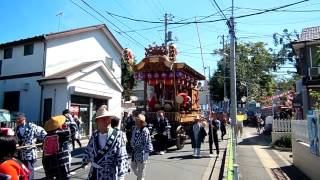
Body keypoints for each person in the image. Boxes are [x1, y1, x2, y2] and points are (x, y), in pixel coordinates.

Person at [82, 105, 129, 180]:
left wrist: (121, 176)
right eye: (103, 119)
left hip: (110, 173)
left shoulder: (118, 135)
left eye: (108, 118)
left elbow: (121, 155)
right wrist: (85, 161)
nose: (107, 121)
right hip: (95, 173)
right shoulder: (94, 135)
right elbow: (89, 150)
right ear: (97, 121)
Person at [15, 113, 47, 180]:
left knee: (29, 171)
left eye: (19, 119)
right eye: (16, 120)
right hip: (21, 154)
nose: (17, 121)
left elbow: (43, 134)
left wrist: (40, 143)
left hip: (30, 153)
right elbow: (16, 139)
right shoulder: (16, 129)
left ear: (24, 119)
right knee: (23, 171)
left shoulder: (32, 126)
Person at [42, 115, 72, 180]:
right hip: (61, 163)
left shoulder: (46, 137)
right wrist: (70, 120)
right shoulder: (61, 134)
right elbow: (70, 131)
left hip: (48, 163)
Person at [131, 114, 153, 180]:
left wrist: (146, 153)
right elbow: (132, 138)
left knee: (141, 170)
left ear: (141, 122)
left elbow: (147, 142)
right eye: (136, 120)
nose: (135, 122)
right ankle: (141, 177)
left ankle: (140, 177)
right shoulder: (135, 128)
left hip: (142, 152)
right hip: (135, 152)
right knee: (133, 167)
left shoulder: (145, 130)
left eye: (137, 120)